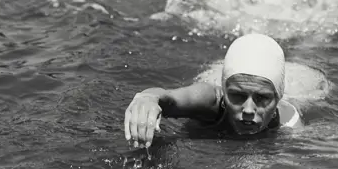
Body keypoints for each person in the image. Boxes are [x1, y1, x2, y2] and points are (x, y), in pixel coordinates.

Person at [124, 33, 301, 148]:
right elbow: (168, 98)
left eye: (262, 98)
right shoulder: (210, 100)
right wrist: (147, 98)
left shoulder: (288, 122)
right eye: (237, 96)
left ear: (278, 98)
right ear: (223, 90)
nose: (248, 110)